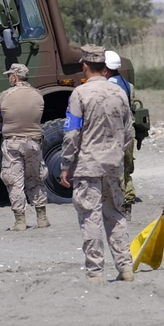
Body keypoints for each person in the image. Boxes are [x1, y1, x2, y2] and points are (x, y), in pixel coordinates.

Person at [60, 48, 134, 282]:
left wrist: (65, 163)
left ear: (85, 66)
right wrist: (118, 154)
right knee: (116, 216)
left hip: (88, 165)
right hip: (113, 164)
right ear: (104, 66)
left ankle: (95, 272)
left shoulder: (79, 94)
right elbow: (129, 131)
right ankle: (126, 267)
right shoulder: (120, 92)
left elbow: (72, 132)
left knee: (90, 217)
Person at [0, 63, 48, 231]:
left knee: (14, 181)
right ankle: (42, 218)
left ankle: (20, 221)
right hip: (34, 142)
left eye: (10, 75)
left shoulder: (4, 95)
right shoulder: (38, 95)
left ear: (14, 77)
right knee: (36, 178)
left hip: (12, 143)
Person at [102, 49, 142, 216]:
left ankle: (116, 203)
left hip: (113, 134)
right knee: (126, 168)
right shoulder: (128, 85)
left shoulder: (106, 87)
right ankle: (128, 201)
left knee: (112, 170)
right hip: (128, 132)